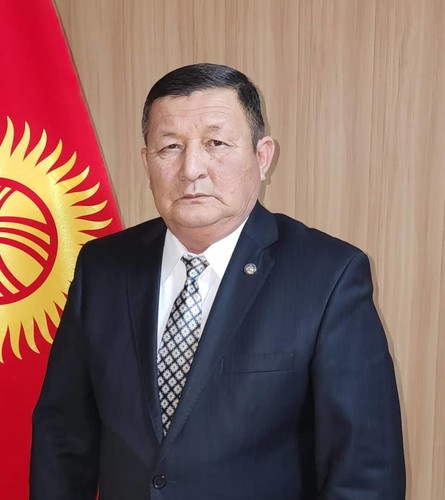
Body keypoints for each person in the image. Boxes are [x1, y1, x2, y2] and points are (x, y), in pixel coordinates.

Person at [30, 63, 405, 499]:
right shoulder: (102, 267)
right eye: (170, 147)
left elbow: (365, 474)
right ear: (146, 162)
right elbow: (63, 440)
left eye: (216, 143)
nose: (192, 169)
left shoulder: (329, 277)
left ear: (262, 157)